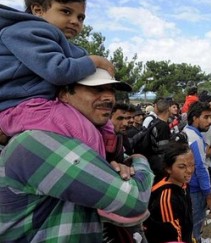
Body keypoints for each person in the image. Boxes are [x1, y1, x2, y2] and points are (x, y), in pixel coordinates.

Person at [0, 73, 154, 242]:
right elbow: (135, 201)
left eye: (111, 90)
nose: (109, 98)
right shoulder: (37, 141)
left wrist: (121, 166)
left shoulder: (95, 139)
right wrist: (139, 160)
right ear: (64, 94)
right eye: (97, 89)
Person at [0, 0, 115, 155]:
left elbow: (75, 57)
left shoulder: (56, 40)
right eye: (66, 12)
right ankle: (98, 173)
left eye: (81, 17)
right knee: (82, 131)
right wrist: (94, 61)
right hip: (17, 106)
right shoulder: (28, 31)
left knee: (103, 123)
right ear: (38, 10)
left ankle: (111, 150)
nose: (75, 21)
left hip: (40, 104)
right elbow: (58, 71)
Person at [144, 132, 195, 243]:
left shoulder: (183, 183)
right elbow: (172, 235)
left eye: (192, 165)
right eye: (182, 167)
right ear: (168, 169)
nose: (190, 170)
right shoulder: (167, 199)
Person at [183, 101, 211, 243]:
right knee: (196, 220)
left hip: (189, 186)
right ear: (195, 118)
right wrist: (209, 196)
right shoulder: (195, 138)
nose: (209, 121)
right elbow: (201, 169)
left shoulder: (187, 131)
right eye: (206, 117)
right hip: (195, 188)